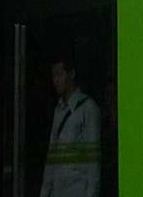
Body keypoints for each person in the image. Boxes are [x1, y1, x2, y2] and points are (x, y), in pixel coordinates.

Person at [38, 59, 102, 197]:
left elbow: (93, 162)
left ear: (71, 74)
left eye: (59, 75)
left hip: (77, 189)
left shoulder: (88, 108)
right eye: (53, 76)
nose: (56, 81)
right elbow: (51, 156)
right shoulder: (58, 110)